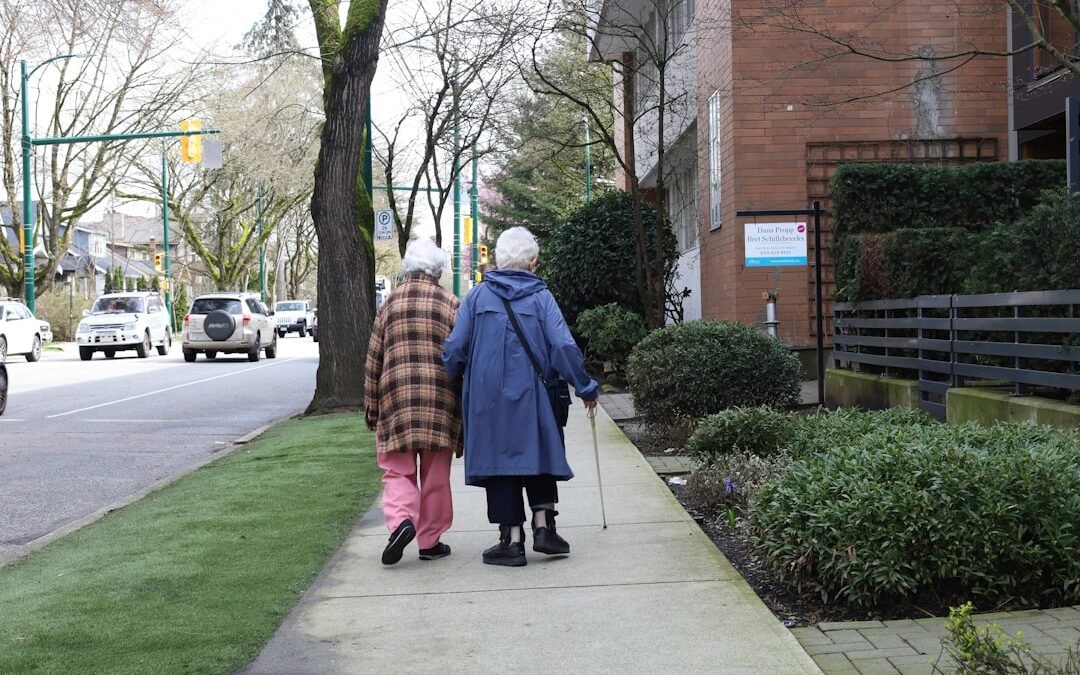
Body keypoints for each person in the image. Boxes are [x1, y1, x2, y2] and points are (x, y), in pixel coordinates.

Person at [443, 226, 599, 567]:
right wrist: (585, 386)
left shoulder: (477, 298)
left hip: (486, 396)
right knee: (538, 450)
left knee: (500, 461)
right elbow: (562, 345)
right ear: (532, 262)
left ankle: (511, 541)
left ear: (499, 260)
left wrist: (452, 375)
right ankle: (544, 528)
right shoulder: (541, 297)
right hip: (534, 390)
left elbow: (455, 347)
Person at [363, 237, 462, 565]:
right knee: (435, 474)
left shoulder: (389, 304)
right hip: (439, 401)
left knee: (396, 470)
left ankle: (402, 521)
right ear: (438, 270)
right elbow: (462, 357)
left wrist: (371, 409)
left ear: (408, 268)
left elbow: (374, 358)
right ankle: (429, 541)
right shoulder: (451, 304)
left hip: (396, 401)